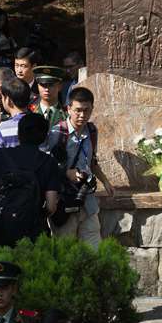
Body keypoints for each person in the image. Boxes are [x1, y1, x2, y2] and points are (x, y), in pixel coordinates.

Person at [0, 113, 60, 244]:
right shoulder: (48, 162)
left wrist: (0, 211)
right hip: (32, 233)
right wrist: (36, 215)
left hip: (0, 232)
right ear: (44, 137)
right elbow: (51, 206)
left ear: (19, 133)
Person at [50, 87, 114, 247]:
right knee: (66, 251)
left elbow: (92, 160)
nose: (82, 115)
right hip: (65, 201)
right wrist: (66, 173)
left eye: (87, 110)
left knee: (94, 251)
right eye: (78, 110)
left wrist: (105, 182)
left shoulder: (92, 130)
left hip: (88, 200)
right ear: (68, 109)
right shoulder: (57, 133)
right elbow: (46, 167)